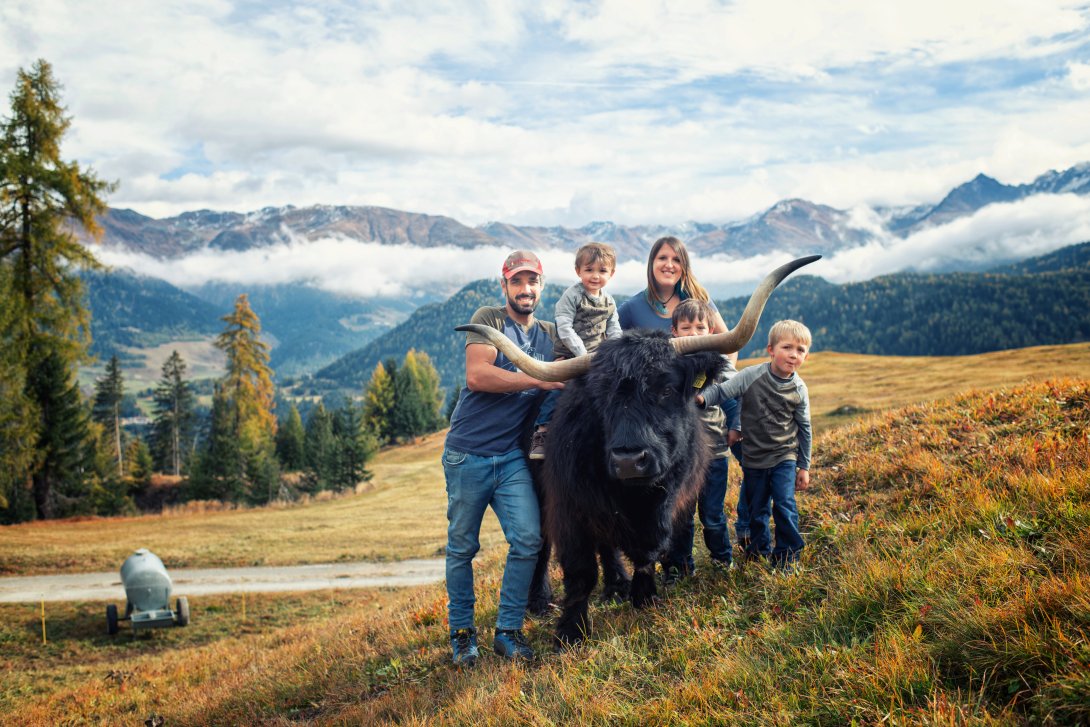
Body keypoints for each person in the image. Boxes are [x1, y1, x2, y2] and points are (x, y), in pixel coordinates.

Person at [442, 250, 564, 665]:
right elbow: (477, 376)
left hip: (511, 456)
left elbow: (589, 352)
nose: (525, 289)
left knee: (529, 538)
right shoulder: (490, 319)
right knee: (462, 548)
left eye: (532, 282)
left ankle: (508, 631)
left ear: (541, 287)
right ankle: (462, 635)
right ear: (505, 285)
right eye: (517, 281)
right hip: (467, 454)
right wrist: (540, 377)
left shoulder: (550, 334)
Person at [697, 319, 813, 567]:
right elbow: (722, 391)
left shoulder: (800, 389)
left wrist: (804, 466)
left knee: (784, 504)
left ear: (806, 355)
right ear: (770, 349)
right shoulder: (751, 376)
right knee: (757, 510)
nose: (793, 355)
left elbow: (804, 428)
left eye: (800, 350)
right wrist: (701, 399)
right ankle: (759, 552)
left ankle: (787, 557)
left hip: (784, 456)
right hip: (754, 459)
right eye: (787, 347)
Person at [660, 299, 742, 584]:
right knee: (679, 514)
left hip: (714, 453)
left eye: (700, 327)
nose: (694, 333)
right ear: (674, 331)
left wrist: (737, 425)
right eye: (686, 327)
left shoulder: (720, 365)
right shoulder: (666, 367)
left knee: (713, 514)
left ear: (711, 330)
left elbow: (736, 396)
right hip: (679, 458)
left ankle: (722, 559)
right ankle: (679, 567)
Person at [528, 242, 622, 460]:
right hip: (571, 355)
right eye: (589, 270)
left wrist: (614, 351)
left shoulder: (609, 301)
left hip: (598, 359)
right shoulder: (571, 296)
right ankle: (541, 432)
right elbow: (564, 326)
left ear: (611, 273)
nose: (595, 276)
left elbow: (614, 327)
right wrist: (582, 354)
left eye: (602, 271)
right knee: (557, 390)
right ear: (578, 271)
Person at [617, 235, 730, 337]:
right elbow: (604, 345)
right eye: (662, 258)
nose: (669, 265)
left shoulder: (699, 298)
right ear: (652, 263)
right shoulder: (631, 308)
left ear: (684, 267)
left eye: (676, 260)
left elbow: (729, 344)